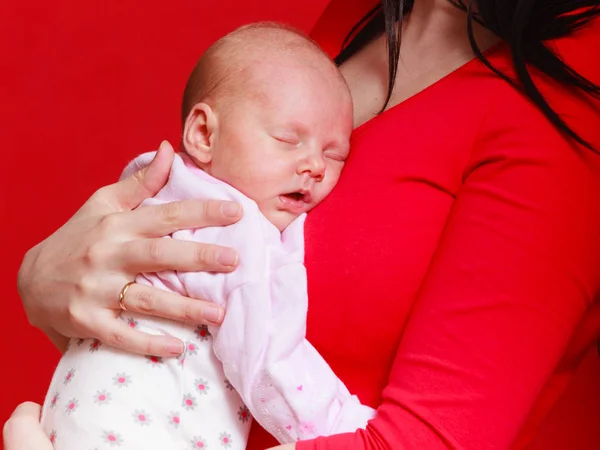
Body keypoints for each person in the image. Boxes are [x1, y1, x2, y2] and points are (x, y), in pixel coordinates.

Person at [8, 0, 600, 449]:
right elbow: (189, 324)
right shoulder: (353, 23)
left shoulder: (569, 99)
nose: (315, 167)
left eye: (333, 155)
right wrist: (42, 280)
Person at [39, 22, 376, 450]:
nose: (315, 165)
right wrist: (352, 425)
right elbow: (267, 357)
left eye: (335, 154)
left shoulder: (162, 196)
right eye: (287, 140)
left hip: (76, 420)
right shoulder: (229, 227)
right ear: (203, 134)